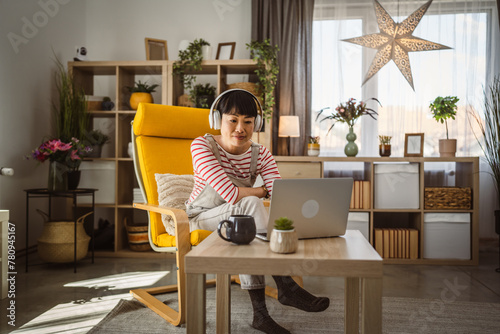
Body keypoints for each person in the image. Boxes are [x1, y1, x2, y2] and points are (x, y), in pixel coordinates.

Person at [185, 89, 329, 334]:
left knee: (248, 214)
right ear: (218, 120)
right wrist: (262, 192)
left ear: (257, 124)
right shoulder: (201, 146)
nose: (240, 128)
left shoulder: (259, 152)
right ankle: (285, 286)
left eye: (248, 122)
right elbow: (230, 193)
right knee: (251, 207)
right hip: (203, 217)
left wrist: (271, 193)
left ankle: (261, 315)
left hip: (239, 222)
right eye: (233, 120)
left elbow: (278, 190)